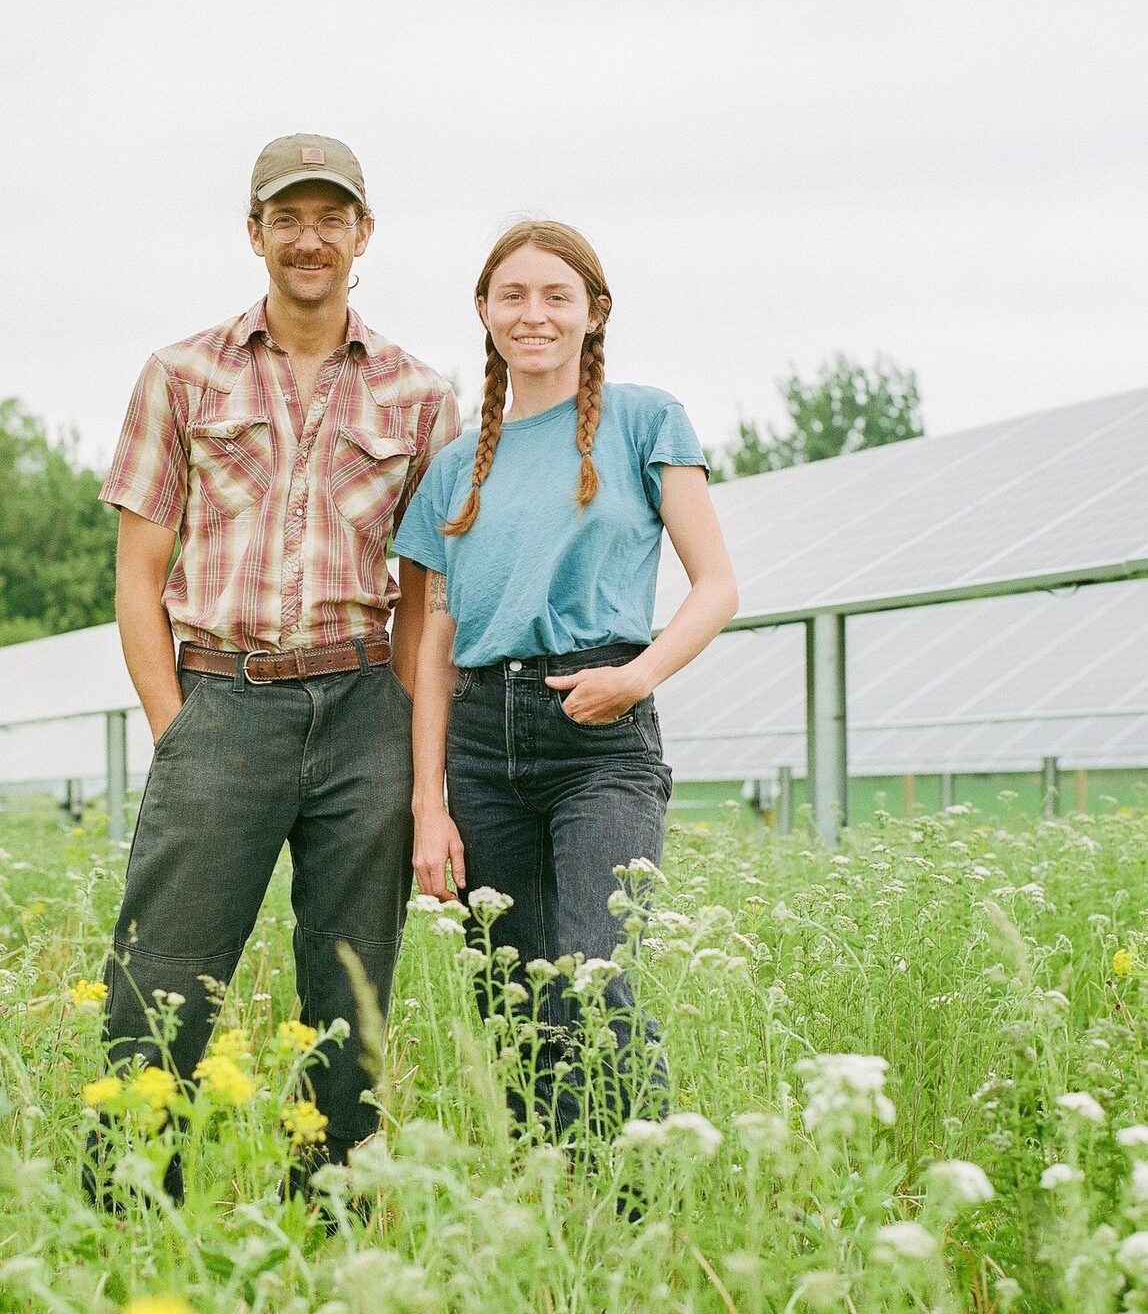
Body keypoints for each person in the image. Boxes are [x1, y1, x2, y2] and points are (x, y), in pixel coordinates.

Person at [89, 134, 460, 1205]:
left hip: (361, 711)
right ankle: (125, 1214)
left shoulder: (418, 396)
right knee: (162, 982)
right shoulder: (182, 375)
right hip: (223, 698)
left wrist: (403, 734)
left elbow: (427, 594)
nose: (310, 239)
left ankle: (332, 1222)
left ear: (363, 235)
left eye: (330, 218)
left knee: (351, 995)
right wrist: (181, 727)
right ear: (254, 234)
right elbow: (137, 576)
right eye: (287, 219)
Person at [395, 219, 737, 1139]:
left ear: (595, 313)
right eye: (513, 295)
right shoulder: (454, 469)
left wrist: (635, 678)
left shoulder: (645, 420)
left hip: (600, 733)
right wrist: (428, 803)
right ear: (485, 312)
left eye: (556, 295)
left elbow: (717, 588)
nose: (533, 314)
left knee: (596, 976)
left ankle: (637, 1198)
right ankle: (557, 1206)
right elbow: (433, 640)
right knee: (512, 998)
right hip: (478, 739)